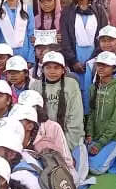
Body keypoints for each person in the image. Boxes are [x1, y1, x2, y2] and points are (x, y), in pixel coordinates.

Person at [30, 52, 86, 181]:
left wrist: (66, 149)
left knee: (76, 178)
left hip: (70, 138)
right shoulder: (35, 86)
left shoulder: (71, 84)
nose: (52, 71)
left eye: (56, 67)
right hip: (44, 140)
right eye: (48, 67)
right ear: (42, 69)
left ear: (63, 70)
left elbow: (75, 119)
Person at [85, 51, 116, 174]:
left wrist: (100, 144)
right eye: (99, 64)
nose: (100, 68)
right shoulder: (93, 87)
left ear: (114, 68)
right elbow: (91, 113)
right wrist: (89, 134)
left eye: (105, 65)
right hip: (97, 137)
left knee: (95, 169)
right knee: (83, 164)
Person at [15, 91, 76, 175]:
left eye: (30, 107)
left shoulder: (53, 127)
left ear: (39, 108)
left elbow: (66, 159)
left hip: (51, 172)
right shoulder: (13, 124)